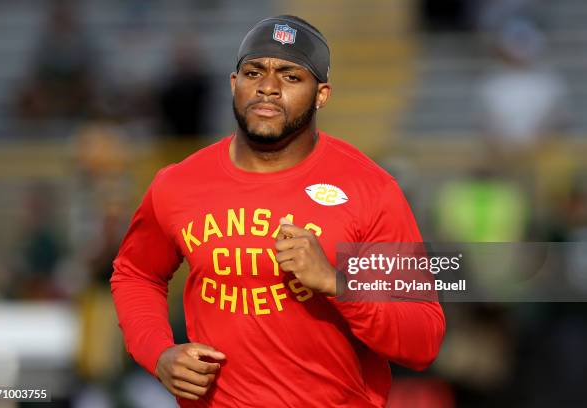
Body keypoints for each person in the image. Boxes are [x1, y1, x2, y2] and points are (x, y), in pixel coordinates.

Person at [110, 15, 445, 407]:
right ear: (234, 84)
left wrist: (336, 283)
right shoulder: (178, 183)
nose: (267, 87)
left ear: (322, 95)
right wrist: (158, 353)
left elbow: (424, 338)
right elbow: (136, 274)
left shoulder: (370, 190)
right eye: (254, 72)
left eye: (290, 76)